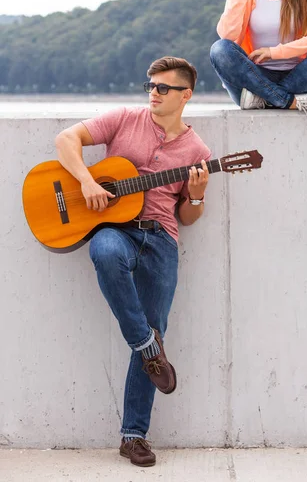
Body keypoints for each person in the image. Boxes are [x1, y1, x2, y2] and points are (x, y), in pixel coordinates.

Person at [55, 56, 211, 468]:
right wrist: (87, 181)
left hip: (160, 239)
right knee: (103, 250)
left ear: (186, 95)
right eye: (151, 86)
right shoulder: (124, 118)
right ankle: (147, 346)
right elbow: (65, 140)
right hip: (116, 231)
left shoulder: (197, 150)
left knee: (155, 326)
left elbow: (187, 216)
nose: (154, 94)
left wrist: (196, 194)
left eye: (163, 88)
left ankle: (133, 436)